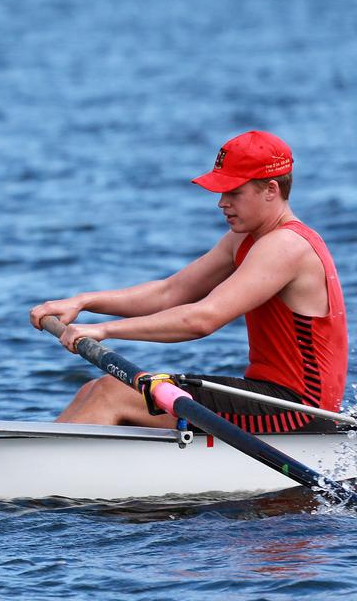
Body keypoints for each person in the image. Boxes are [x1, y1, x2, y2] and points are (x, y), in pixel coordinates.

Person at [29, 130, 346, 433]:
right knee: (95, 388)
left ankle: (32, 474)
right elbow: (170, 292)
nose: (222, 203)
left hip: (299, 412)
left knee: (112, 392)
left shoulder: (286, 246)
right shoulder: (244, 240)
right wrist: (83, 302)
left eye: (234, 192)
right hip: (267, 397)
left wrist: (105, 330)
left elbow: (202, 319)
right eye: (222, 192)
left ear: (271, 191)